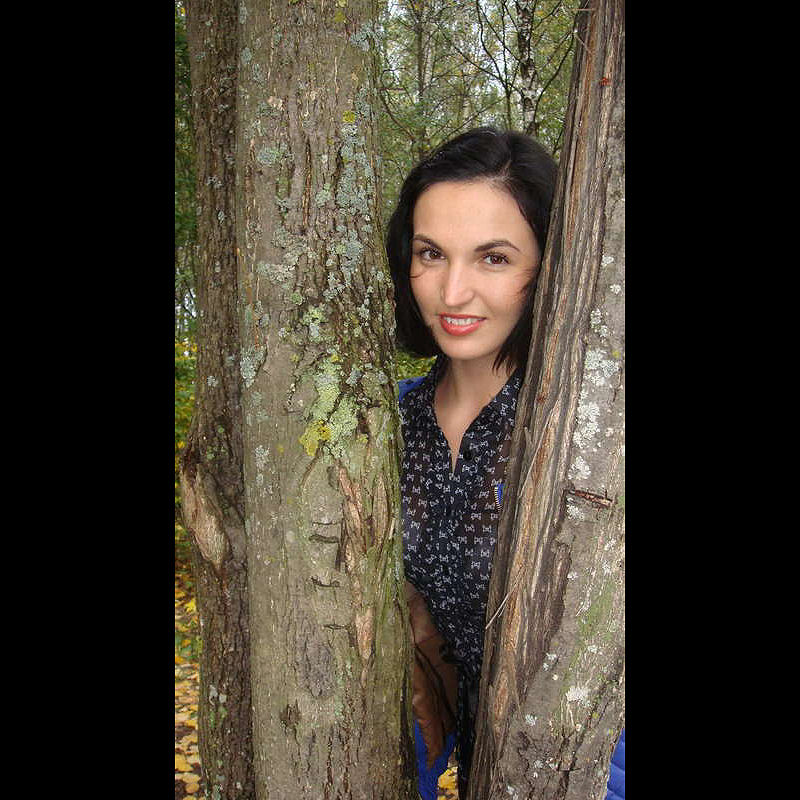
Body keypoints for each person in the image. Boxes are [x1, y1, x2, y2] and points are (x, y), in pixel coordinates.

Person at [387, 126, 558, 798]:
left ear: (549, 265)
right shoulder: (387, 426)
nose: (452, 292)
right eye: (431, 254)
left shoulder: (585, 436)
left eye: (493, 258)